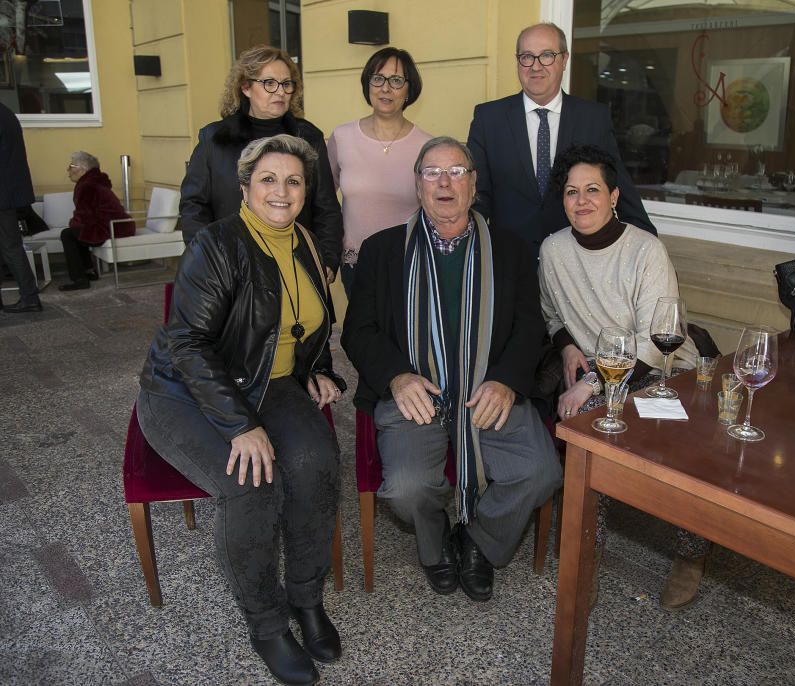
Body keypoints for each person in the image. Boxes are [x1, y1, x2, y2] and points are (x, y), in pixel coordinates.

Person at [138, 134, 344, 686]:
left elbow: (307, 321)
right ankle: (267, 622)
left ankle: (305, 599)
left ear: (307, 191)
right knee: (253, 482)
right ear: (246, 186)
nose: (282, 190)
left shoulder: (303, 241)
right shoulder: (217, 244)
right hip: (185, 391)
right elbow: (187, 345)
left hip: (266, 381)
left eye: (294, 180)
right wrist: (241, 426)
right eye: (270, 179)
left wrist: (318, 368)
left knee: (317, 461)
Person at [342, 136, 562, 603]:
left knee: (542, 471)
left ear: (473, 184)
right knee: (404, 489)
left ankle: (480, 539)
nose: (445, 182)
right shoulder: (380, 251)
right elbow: (358, 331)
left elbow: (529, 326)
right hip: (416, 394)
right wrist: (397, 377)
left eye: (457, 171)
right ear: (418, 185)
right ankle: (436, 538)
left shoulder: (511, 249)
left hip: (488, 389)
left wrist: (505, 380)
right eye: (432, 172)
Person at [539, 144, 709, 611]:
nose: (582, 201)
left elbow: (658, 339)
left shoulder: (645, 250)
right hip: (600, 369)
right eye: (572, 192)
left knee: (682, 436)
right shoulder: (552, 250)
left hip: (662, 367)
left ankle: (691, 553)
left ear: (614, 196)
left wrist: (592, 381)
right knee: (591, 428)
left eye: (592, 189)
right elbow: (550, 313)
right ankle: (585, 557)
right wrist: (568, 345)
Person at [467, 22, 655, 258]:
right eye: (527, 57)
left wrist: (648, 248)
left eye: (547, 55)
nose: (536, 66)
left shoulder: (592, 118)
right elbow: (475, 197)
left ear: (564, 60)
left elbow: (619, 189)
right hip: (509, 265)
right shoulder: (489, 118)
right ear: (518, 62)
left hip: (575, 263)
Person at [180, 44, 344, 280]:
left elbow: (326, 206)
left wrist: (327, 260)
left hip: (296, 263)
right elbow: (194, 206)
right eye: (269, 83)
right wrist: (205, 258)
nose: (280, 92)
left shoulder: (308, 137)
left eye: (286, 84)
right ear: (245, 87)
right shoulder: (214, 139)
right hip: (232, 264)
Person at [327, 47, 432, 297]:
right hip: (356, 264)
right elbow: (325, 203)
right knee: (363, 333)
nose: (386, 88)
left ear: (409, 89)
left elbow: (434, 210)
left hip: (408, 263)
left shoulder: (427, 146)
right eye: (378, 79)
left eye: (396, 80)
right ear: (368, 85)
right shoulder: (342, 137)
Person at [58, 151, 135, 291]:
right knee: (76, 233)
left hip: (112, 227)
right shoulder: (92, 182)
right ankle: (88, 271)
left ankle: (79, 279)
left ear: (82, 169)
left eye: (71, 166)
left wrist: (73, 225)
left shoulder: (87, 186)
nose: (68, 170)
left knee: (68, 234)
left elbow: (84, 216)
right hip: (116, 225)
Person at [0, 101, 43, 313]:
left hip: (3, 196)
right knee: (9, 247)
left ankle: (30, 297)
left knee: (10, 247)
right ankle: (29, 296)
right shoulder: (6, 113)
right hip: (7, 194)